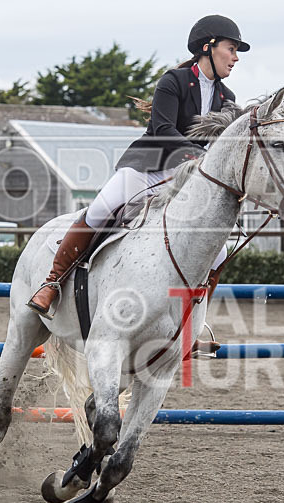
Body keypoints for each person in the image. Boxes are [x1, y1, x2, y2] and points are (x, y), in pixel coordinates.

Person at [27, 14, 250, 322]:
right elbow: (163, 129)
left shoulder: (227, 97)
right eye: (231, 49)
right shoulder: (173, 81)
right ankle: (52, 282)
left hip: (184, 178)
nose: (236, 58)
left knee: (219, 252)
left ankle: (191, 323)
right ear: (207, 47)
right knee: (100, 210)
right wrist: (197, 156)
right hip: (149, 168)